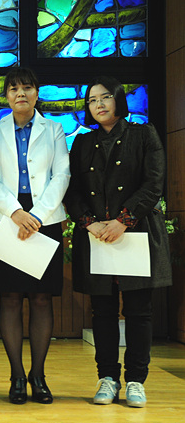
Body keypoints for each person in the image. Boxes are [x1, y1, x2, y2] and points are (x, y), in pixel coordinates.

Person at [64, 77, 171, 408]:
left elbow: (154, 184)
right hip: (97, 236)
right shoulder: (82, 143)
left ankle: (136, 380)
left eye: (105, 97)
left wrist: (123, 221)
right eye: (92, 100)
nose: (98, 104)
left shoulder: (144, 134)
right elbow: (73, 191)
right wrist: (91, 223)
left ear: (119, 100)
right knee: (102, 310)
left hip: (135, 233)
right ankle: (107, 377)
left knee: (139, 310)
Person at [0, 67, 70, 405]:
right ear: (6, 95)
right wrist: (16, 213)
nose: (21, 93)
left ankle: (39, 375)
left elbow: (62, 174)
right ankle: (17, 375)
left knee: (42, 298)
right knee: (11, 297)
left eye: (27, 88)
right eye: (14, 88)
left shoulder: (55, 128)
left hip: (45, 217)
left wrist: (37, 215)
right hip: (6, 217)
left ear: (36, 92)